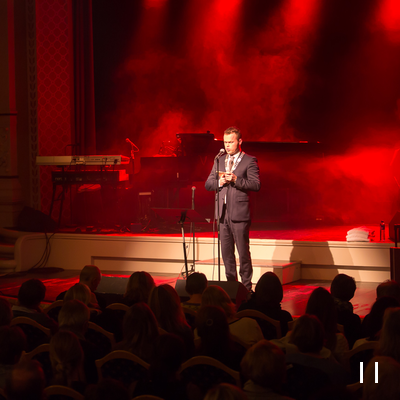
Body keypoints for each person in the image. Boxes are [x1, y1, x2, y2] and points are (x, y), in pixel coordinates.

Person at [205, 127, 261, 291]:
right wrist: (220, 182)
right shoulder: (219, 160)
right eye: (225, 142)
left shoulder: (249, 161)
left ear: (239, 142)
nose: (227, 145)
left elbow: (256, 184)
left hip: (239, 213)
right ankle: (231, 287)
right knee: (226, 254)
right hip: (222, 214)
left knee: (243, 253)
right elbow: (208, 184)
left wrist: (236, 180)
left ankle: (246, 288)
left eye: (231, 142)